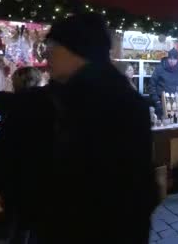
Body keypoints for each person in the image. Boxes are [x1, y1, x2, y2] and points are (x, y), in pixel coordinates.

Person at [41, 13, 158, 243]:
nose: (47, 54)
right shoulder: (65, 97)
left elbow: (128, 186)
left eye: (53, 45)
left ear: (76, 49)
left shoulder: (111, 102)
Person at [0, 66, 53, 244]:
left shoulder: (9, 104)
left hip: (14, 172)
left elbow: (3, 145)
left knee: (15, 221)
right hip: (35, 172)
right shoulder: (44, 106)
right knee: (28, 224)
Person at [149, 48, 178, 117]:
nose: (172, 61)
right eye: (170, 59)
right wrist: (157, 101)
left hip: (177, 105)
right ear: (167, 58)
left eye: (174, 59)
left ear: (177, 60)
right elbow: (152, 85)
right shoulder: (159, 68)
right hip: (161, 103)